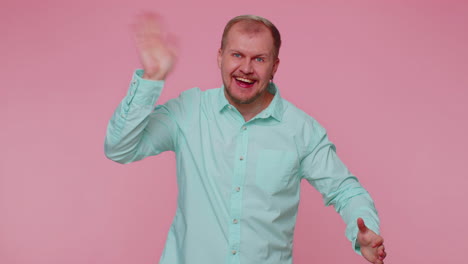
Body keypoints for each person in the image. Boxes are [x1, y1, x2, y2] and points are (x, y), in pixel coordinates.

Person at [105, 14, 387, 264]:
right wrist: (151, 79)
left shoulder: (301, 129)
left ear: (275, 65)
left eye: (259, 59)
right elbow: (119, 148)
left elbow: (345, 190)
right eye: (237, 55)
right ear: (220, 56)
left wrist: (364, 230)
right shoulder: (189, 111)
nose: (246, 68)